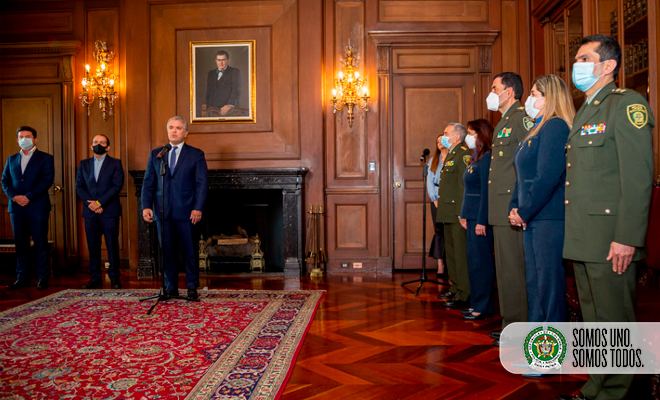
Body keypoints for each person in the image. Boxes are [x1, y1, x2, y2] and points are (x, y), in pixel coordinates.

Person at [555, 35, 655, 400]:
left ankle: (616, 392)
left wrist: (627, 236)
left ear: (608, 65)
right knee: (594, 319)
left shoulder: (625, 104)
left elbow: (638, 177)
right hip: (585, 234)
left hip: (612, 236)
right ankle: (597, 384)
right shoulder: (587, 109)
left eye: (584, 58)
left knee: (613, 318)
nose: (576, 65)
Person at [508, 75, 575, 324]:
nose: (529, 99)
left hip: (548, 218)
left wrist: (525, 211)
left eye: (534, 94)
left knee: (548, 287)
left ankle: (553, 344)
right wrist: (515, 208)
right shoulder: (537, 128)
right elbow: (522, 175)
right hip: (533, 216)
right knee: (535, 285)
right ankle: (538, 341)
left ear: (550, 98)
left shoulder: (555, 126)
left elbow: (547, 177)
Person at [141, 116, 208, 300]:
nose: (174, 131)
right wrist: (146, 206)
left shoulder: (196, 154)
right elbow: (148, 183)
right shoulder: (158, 154)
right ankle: (170, 287)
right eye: (171, 127)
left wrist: (198, 208)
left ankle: (192, 287)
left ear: (185, 133)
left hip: (187, 212)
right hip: (162, 211)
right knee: (167, 252)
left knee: (189, 251)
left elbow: (201, 184)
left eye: (178, 128)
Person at [486, 72, 531, 345]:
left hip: (512, 206)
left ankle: (518, 328)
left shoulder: (521, 119)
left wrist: (521, 204)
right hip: (500, 206)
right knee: (505, 270)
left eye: (495, 88)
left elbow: (528, 162)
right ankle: (509, 323)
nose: (491, 93)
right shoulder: (503, 121)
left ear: (509, 91)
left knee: (514, 270)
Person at [1, 126, 54, 290]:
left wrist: (29, 196)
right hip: (16, 208)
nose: (24, 139)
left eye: (27, 136)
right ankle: (22, 277)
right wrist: (14, 197)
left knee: (40, 241)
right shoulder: (11, 159)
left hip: (37, 206)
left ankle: (42, 277)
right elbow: (5, 181)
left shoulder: (46, 158)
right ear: (18, 140)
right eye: (21, 137)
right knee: (20, 243)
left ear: (35, 139)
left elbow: (47, 180)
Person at [75, 134, 125, 289]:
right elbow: (79, 186)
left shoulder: (115, 163)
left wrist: (99, 203)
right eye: (96, 142)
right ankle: (95, 277)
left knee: (112, 244)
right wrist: (91, 204)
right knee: (93, 245)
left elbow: (116, 186)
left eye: (102, 142)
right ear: (91, 146)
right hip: (90, 211)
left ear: (107, 147)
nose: (99, 144)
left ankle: (114, 277)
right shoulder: (84, 164)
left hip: (109, 210)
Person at [459, 119, 495, 320]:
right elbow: (468, 191)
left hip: (480, 220)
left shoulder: (487, 157)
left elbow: (485, 192)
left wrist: (482, 220)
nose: (468, 137)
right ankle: (476, 303)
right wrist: (464, 214)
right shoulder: (476, 157)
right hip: (471, 217)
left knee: (482, 264)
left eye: (471, 133)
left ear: (481, 134)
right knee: (473, 263)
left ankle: (484, 306)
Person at [435, 123, 471, 308]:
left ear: (456, 137)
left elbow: (463, 186)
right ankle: (455, 287)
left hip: (457, 212)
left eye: (446, 133)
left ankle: (464, 293)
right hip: (448, 212)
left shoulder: (463, 155)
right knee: (451, 253)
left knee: (460, 254)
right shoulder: (451, 154)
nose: (443, 136)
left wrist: (462, 212)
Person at [426, 134, 447, 276]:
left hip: (451, 199)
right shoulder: (433, 160)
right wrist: (434, 199)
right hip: (437, 199)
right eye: (437, 141)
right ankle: (440, 264)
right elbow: (429, 182)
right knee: (439, 231)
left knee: (450, 232)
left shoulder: (454, 158)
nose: (439, 143)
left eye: (442, 140)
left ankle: (451, 264)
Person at [205, 50, 242, 116]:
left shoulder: (234, 72)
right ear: (216, 61)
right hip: (213, 109)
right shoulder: (211, 73)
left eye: (223, 60)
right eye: (219, 60)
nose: (221, 63)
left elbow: (236, 90)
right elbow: (209, 92)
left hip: (230, 109)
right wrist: (209, 107)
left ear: (228, 60)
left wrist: (229, 105)